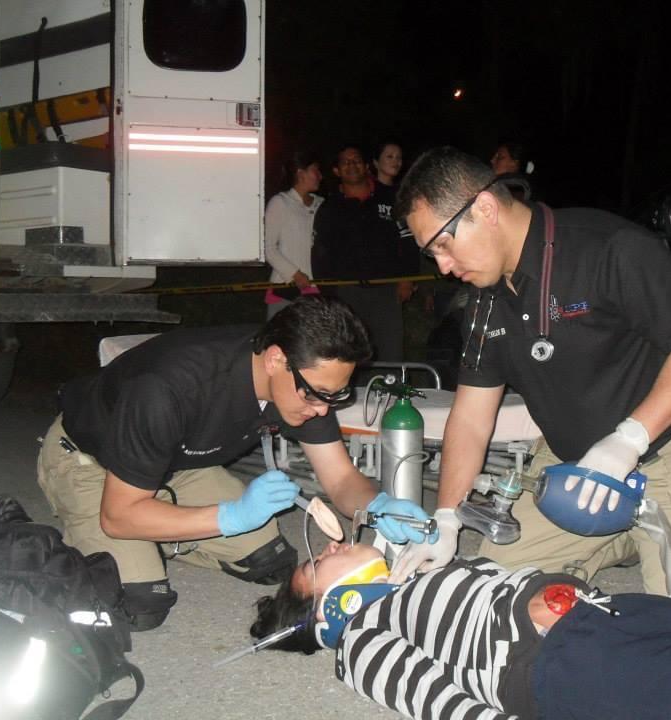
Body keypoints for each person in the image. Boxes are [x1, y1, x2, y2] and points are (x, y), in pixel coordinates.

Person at [388, 147, 671, 619]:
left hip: (663, 455)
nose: (442, 266)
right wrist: (446, 517)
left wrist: (627, 441)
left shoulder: (609, 248)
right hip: (570, 470)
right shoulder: (485, 301)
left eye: (443, 245)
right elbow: (470, 418)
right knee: (494, 590)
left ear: (484, 208)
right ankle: (624, 536)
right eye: (431, 254)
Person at [36, 296, 433, 631]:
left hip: (178, 466)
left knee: (271, 561)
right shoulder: (167, 388)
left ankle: (160, 530)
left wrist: (378, 506)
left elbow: (341, 479)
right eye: (317, 395)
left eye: (335, 396)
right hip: (93, 464)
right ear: (276, 359)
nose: (322, 409)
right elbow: (118, 517)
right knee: (141, 604)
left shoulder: (306, 380)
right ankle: (109, 536)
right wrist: (231, 517)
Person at [251, 543, 671, 720]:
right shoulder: (361, 643)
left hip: (611, 611)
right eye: (318, 561)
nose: (332, 544)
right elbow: (432, 699)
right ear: (328, 607)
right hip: (561, 665)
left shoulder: (407, 576)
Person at [311, 144, 418, 361]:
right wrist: (328, 293)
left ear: (367, 166)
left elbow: (408, 240)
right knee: (351, 353)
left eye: (357, 160)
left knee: (391, 351)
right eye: (345, 162)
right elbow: (320, 253)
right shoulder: (330, 208)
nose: (352, 165)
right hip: (347, 293)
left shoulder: (390, 198)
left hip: (386, 290)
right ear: (337, 170)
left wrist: (407, 278)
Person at [264, 149, 323, 319]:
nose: (320, 176)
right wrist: (295, 274)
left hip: (319, 289)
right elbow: (268, 248)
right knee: (281, 335)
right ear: (301, 173)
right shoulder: (280, 202)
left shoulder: (321, 204)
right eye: (316, 170)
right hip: (286, 289)